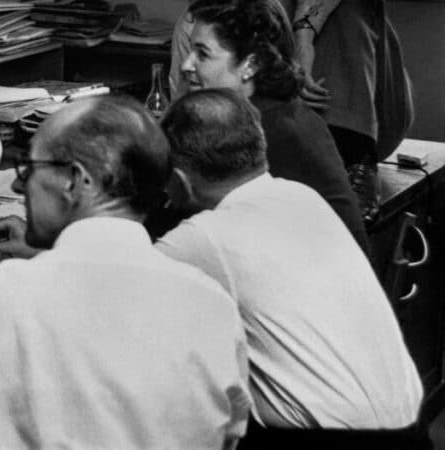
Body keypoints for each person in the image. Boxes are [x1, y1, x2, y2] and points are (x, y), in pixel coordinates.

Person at [0, 95, 252, 450]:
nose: (17, 185)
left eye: (29, 168)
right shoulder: (214, 306)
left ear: (74, 182)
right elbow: (229, 432)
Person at [157, 89, 423, 436]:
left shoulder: (203, 237)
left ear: (179, 180)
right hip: (411, 430)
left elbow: (114, 300)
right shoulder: (303, 197)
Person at [151, 0, 412, 182]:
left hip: (374, 115)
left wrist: (304, 37)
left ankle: (357, 162)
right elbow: (184, 109)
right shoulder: (190, 25)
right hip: (273, 143)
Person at [181, 0, 369, 248]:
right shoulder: (283, 113)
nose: (186, 65)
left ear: (250, 65)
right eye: (190, 51)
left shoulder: (264, 130)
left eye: (202, 54)